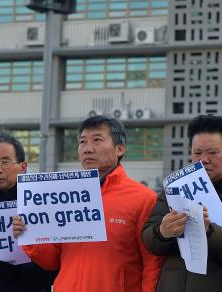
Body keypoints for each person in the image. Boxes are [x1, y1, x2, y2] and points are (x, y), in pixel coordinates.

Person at [13, 116, 163, 292]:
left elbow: (152, 264)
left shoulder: (143, 198)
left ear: (120, 149)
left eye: (97, 140)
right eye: (82, 142)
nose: (87, 149)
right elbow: (52, 261)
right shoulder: (63, 196)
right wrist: (30, 235)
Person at [142, 114, 222, 292]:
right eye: (197, 153)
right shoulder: (173, 191)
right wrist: (162, 232)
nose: (203, 159)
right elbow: (149, 241)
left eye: (212, 152)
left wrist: (209, 230)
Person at [0, 131, 56, 292]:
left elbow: (53, 265)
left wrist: (31, 240)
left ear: (23, 167)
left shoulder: (41, 205)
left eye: (5, 162)